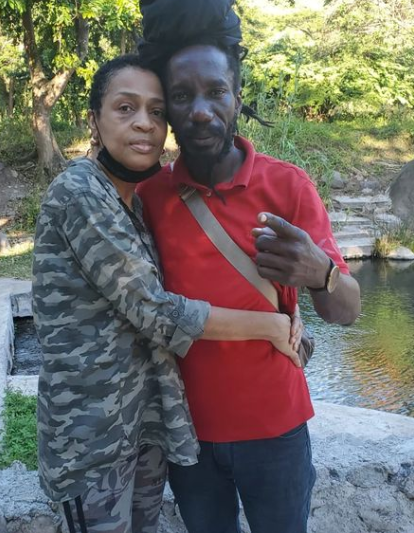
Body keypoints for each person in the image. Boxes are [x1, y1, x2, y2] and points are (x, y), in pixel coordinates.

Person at [32, 54, 303, 533]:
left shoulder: (134, 201)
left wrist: (289, 312)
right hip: (91, 439)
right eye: (126, 108)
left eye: (157, 111)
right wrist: (271, 326)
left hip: (145, 427)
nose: (144, 123)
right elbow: (154, 310)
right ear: (94, 120)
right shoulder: (80, 192)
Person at [136, 4, 361, 533]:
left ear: (237, 97)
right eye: (182, 96)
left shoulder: (288, 186)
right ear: (167, 110)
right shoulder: (149, 197)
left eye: (215, 91)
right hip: (187, 433)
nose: (200, 111)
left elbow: (346, 311)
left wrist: (321, 273)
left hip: (276, 428)